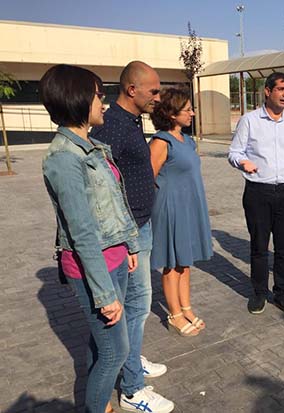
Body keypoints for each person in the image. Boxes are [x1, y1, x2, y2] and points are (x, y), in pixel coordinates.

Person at [40, 64, 139, 413]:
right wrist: (103, 293)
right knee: (117, 351)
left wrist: (127, 244)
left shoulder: (92, 146)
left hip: (112, 259)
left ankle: (101, 405)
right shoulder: (64, 158)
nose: (105, 103)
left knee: (102, 346)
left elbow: (111, 203)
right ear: (79, 97)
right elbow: (81, 233)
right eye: (99, 94)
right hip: (92, 269)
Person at [90, 61, 173, 413]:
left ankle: (131, 362)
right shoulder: (110, 127)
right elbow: (103, 187)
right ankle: (132, 388)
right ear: (131, 90)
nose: (158, 96)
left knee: (137, 307)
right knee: (133, 307)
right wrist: (125, 236)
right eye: (153, 91)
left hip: (140, 226)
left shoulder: (132, 122)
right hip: (127, 232)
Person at [228, 72, 284, 316]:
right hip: (258, 192)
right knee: (259, 247)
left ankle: (282, 293)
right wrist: (243, 162)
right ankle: (259, 293)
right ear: (267, 91)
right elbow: (234, 152)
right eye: (281, 89)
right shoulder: (250, 120)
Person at [149, 87, 213, 336]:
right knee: (171, 264)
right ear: (172, 113)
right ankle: (174, 314)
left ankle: (186, 307)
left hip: (190, 206)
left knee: (185, 262)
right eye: (188, 110)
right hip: (170, 209)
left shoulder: (188, 140)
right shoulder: (160, 141)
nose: (193, 113)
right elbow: (148, 179)